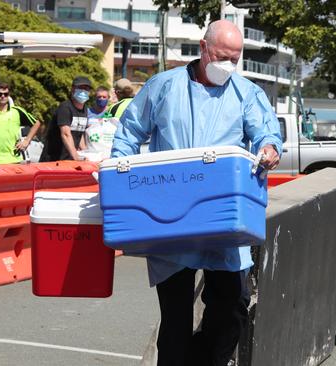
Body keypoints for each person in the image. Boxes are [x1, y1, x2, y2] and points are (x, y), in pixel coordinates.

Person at [110, 20, 282, 366]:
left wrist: (269, 147)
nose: (228, 66)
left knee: (232, 307)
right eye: (222, 57)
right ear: (203, 48)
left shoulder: (246, 93)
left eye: (235, 59)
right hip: (171, 217)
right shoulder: (163, 87)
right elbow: (130, 134)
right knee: (175, 320)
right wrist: (119, 180)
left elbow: (265, 130)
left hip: (224, 219)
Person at [0, 81, 41, 164]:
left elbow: (36, 123)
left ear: (8, 95)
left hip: (14, 160)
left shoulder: (17, 111)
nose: (3, 96)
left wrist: (26, 141)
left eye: (5, 94)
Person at [39, 76, 92, 162]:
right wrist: (76, 157)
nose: (83, 91)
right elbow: (65, 134)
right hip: (54, 160)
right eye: (80, 88)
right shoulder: (65, 108)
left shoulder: (85, 109)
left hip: (69, 160)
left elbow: (79, 133)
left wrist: (85, 153)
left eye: (86, 88)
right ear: (73, 89)